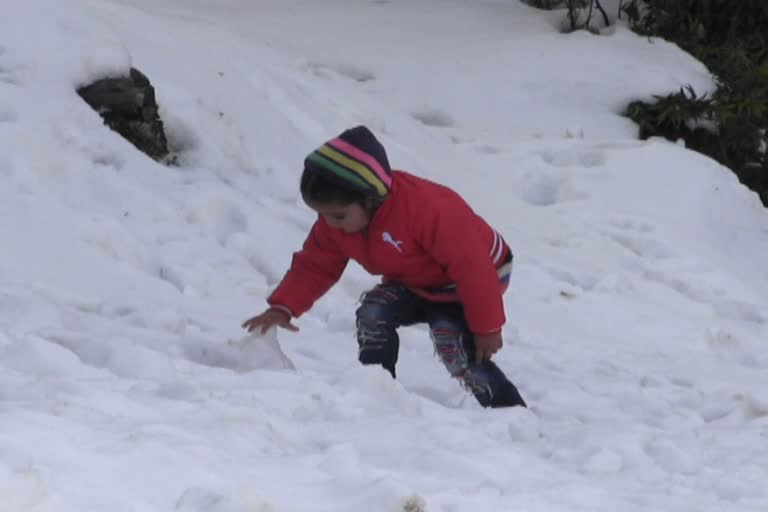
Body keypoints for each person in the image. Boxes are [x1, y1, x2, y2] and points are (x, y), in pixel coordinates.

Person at [242, 126, 526, 408]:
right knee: (373, 314)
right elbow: (315, 264)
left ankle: (508, 409)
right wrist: (283, 306)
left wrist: (487, 326)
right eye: (322, 215)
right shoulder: (338, 225)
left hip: (473, 278)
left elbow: (472, 267)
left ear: (370, 197)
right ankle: (375, 389)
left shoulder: (428, 210)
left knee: (453, 342)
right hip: (416, 281)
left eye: (338, 215)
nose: (329, 224)